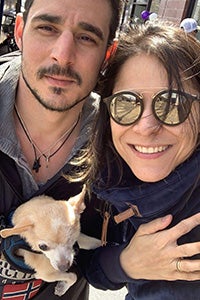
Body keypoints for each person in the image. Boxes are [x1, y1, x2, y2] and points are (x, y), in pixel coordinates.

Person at [0, 0, 122, 299]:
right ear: (19, 31)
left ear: (108, 53)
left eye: (86, 37)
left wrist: (124, 264)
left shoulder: (124, 141)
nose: (63, 55)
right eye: (46, 28)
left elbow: (115, 252)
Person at [76, 20, 200, 299]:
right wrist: (126, 262)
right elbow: (84, 263)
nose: (146, 127)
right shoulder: (108, 178)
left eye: (172, 103)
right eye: (127, 103)